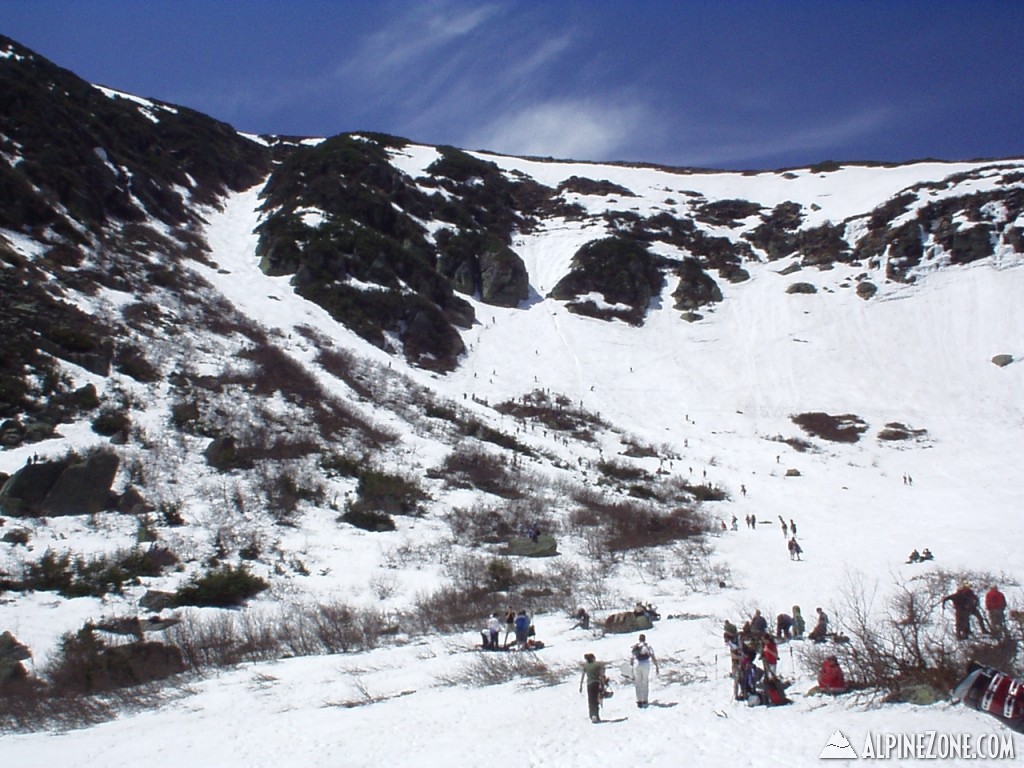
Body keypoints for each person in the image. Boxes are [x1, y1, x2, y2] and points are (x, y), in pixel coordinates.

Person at [630, 633, 660, 708]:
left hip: (637, 664)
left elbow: (632, 658)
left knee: (638, 682)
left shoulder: (636, 646)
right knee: (645, 681)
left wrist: (631, 668)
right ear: (644, 639)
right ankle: (645, 699)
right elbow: (652, 656)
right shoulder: (648, 646)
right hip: (646, 664)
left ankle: (639, 700)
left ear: (639, 639)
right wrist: (656, 666)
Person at [579, 653, 605, 723]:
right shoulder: (597, 665)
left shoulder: (586, 666)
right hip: (597, 683)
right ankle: (597, 715)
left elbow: (583, 676)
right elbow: (601, 675)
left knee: (591, 700)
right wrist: (603, 684)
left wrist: (581, 685)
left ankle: (592, 715)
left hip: (589, 684)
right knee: (596, 700)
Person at [723, 620, 742, 699]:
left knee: (738, 678)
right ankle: (736, 694)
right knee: (736, 678)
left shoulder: (737, 638)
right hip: (735, 660)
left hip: (739, 660)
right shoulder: (730, 638)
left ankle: (738, 693)